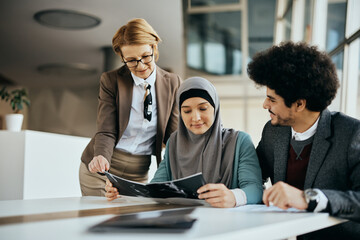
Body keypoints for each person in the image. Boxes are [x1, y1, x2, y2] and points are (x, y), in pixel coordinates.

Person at [247, 41, 360, 239]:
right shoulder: (273, 132)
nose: (265, 105)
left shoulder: (351, 134)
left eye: (272, 99)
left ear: (299, 104)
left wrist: (307, 198)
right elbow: (252, 173)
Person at [105, 77, 263, 208]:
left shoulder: (239, 141)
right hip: (183, 223)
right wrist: (121, 191)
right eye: (187, 111)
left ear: (215, 108)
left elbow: (255, 189)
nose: (195, 118)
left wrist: (233, 197)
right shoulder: (174, 142)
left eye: (203, 108)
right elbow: (157, 187)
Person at [79, 18, 182, 196]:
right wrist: (101, 156)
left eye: (145, 56)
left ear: (153, 47)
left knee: (130, 222)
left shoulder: (173, 82)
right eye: (131, 60)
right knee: (99, 221)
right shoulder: (111, 81)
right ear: (122, 58)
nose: (140, 66)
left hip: (138, 172)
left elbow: (172, 136)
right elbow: (106, 129)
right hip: (102, 169)